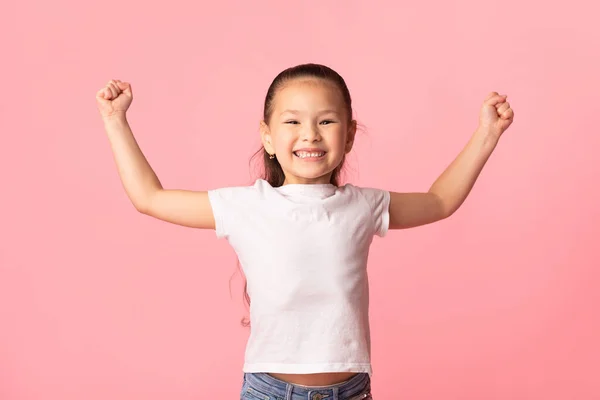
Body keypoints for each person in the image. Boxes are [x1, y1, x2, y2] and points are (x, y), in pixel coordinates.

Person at [95, 63, 514, 400]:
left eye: (327, 121)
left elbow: (439, 201)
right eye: (292, 121)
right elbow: (149, 197)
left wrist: (487, 134)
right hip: (269, 392)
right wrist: (115, 121)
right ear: (268, 137)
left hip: (350, 391)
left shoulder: (363, 205)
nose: (310, 134)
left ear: (349, 136)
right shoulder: (246, 206)